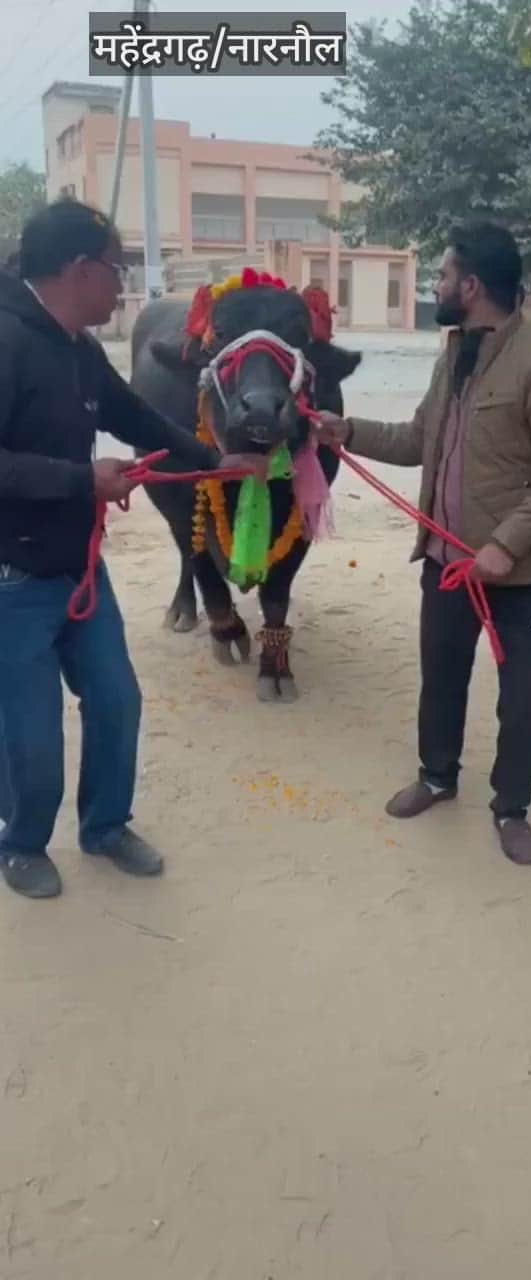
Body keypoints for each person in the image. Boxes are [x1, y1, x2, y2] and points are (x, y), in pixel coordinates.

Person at [315, 221, 531, 865]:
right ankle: (437, 777)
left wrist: (505, 546)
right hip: (446, 566)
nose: (434, 285)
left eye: (441, 275)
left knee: (522, 702)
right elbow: (419, 439)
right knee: (440, 680)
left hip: (517, 578)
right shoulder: (453, 357)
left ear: (470, 286)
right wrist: (348, 430)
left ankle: (512, 807)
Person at [0, 198, 238, 899]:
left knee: (116, 701)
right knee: (31, 734)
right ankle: (21, 842)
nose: (121, 284)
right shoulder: (7, 341)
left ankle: (105, 827)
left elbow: (133, 414)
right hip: (13, 578)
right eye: (116, 269)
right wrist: (83, 480)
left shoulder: (80, 349)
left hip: (79, 569)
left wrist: (213, 459)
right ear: (80, 269)